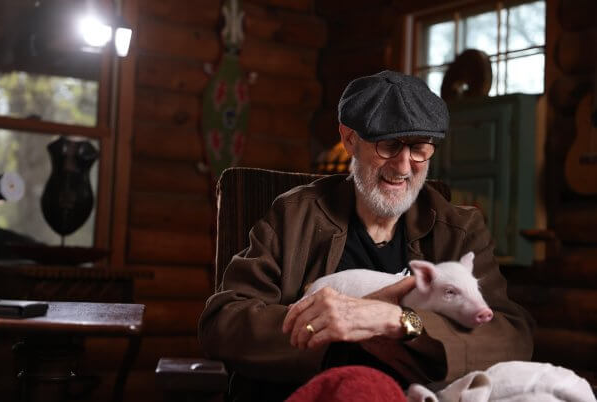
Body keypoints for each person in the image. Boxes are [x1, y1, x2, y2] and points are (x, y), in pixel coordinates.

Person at [198, 70, 534, 401]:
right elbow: (223, 322)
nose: (403, 167)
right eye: (388, 146)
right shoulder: (293, 215)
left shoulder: (460, 229)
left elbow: (513, 336)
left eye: (419, 148)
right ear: (349, 140)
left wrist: (400, 321)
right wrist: (332, 326)